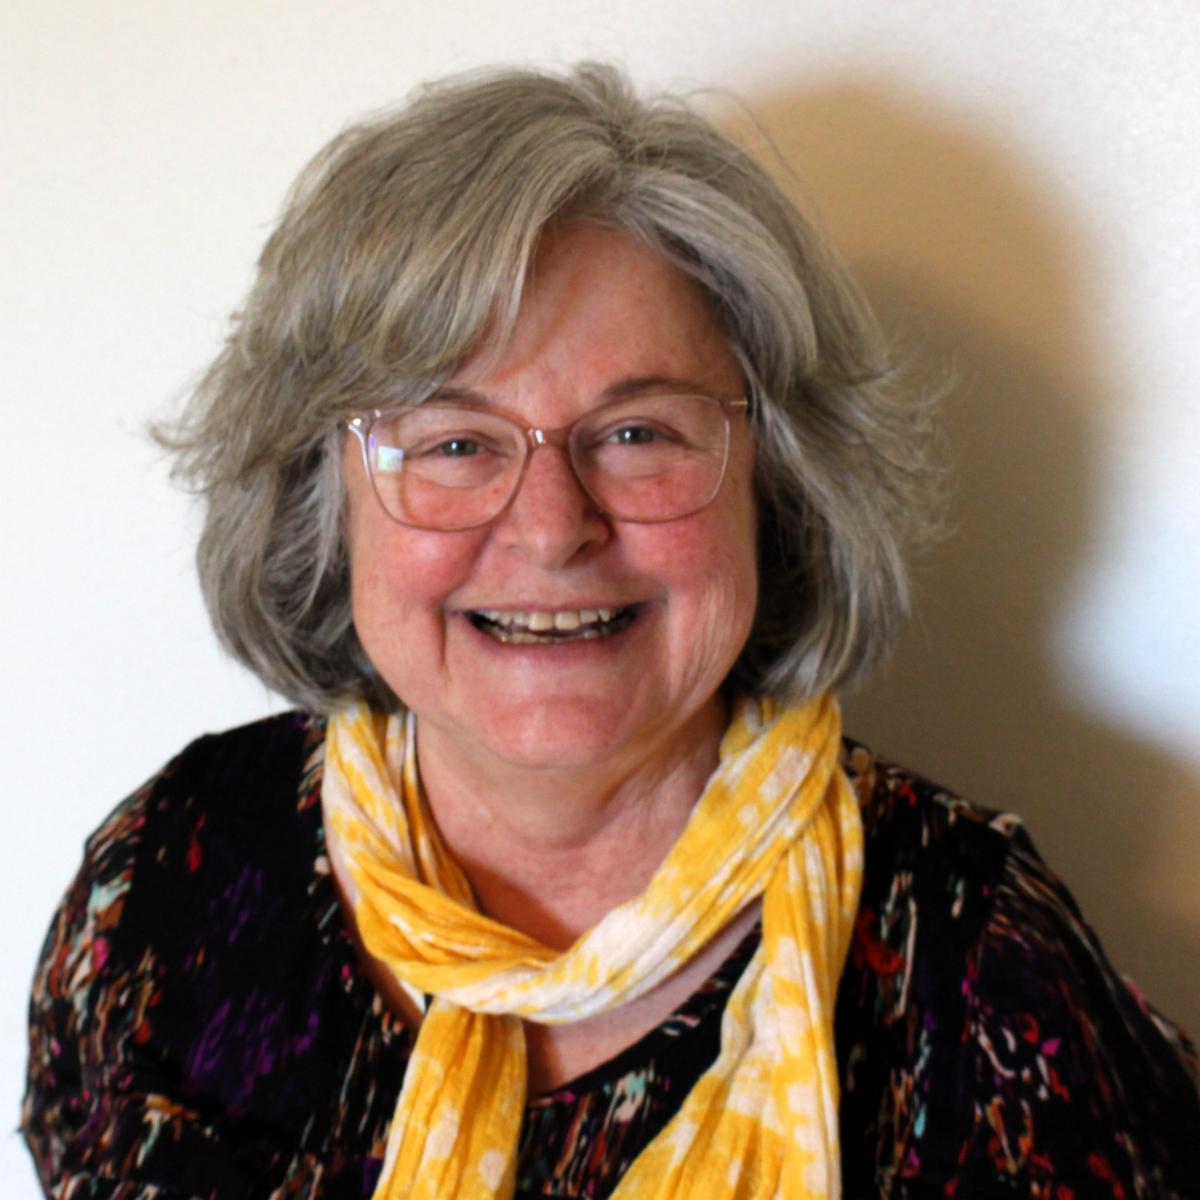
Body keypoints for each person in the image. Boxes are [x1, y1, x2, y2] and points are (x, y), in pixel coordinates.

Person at [21, 63, 1199, 1200]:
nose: (551, 529)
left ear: (778, 486)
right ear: (319, 499)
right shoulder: (166, 883)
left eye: (639, 434)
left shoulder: (978, 965)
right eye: (455, 443)